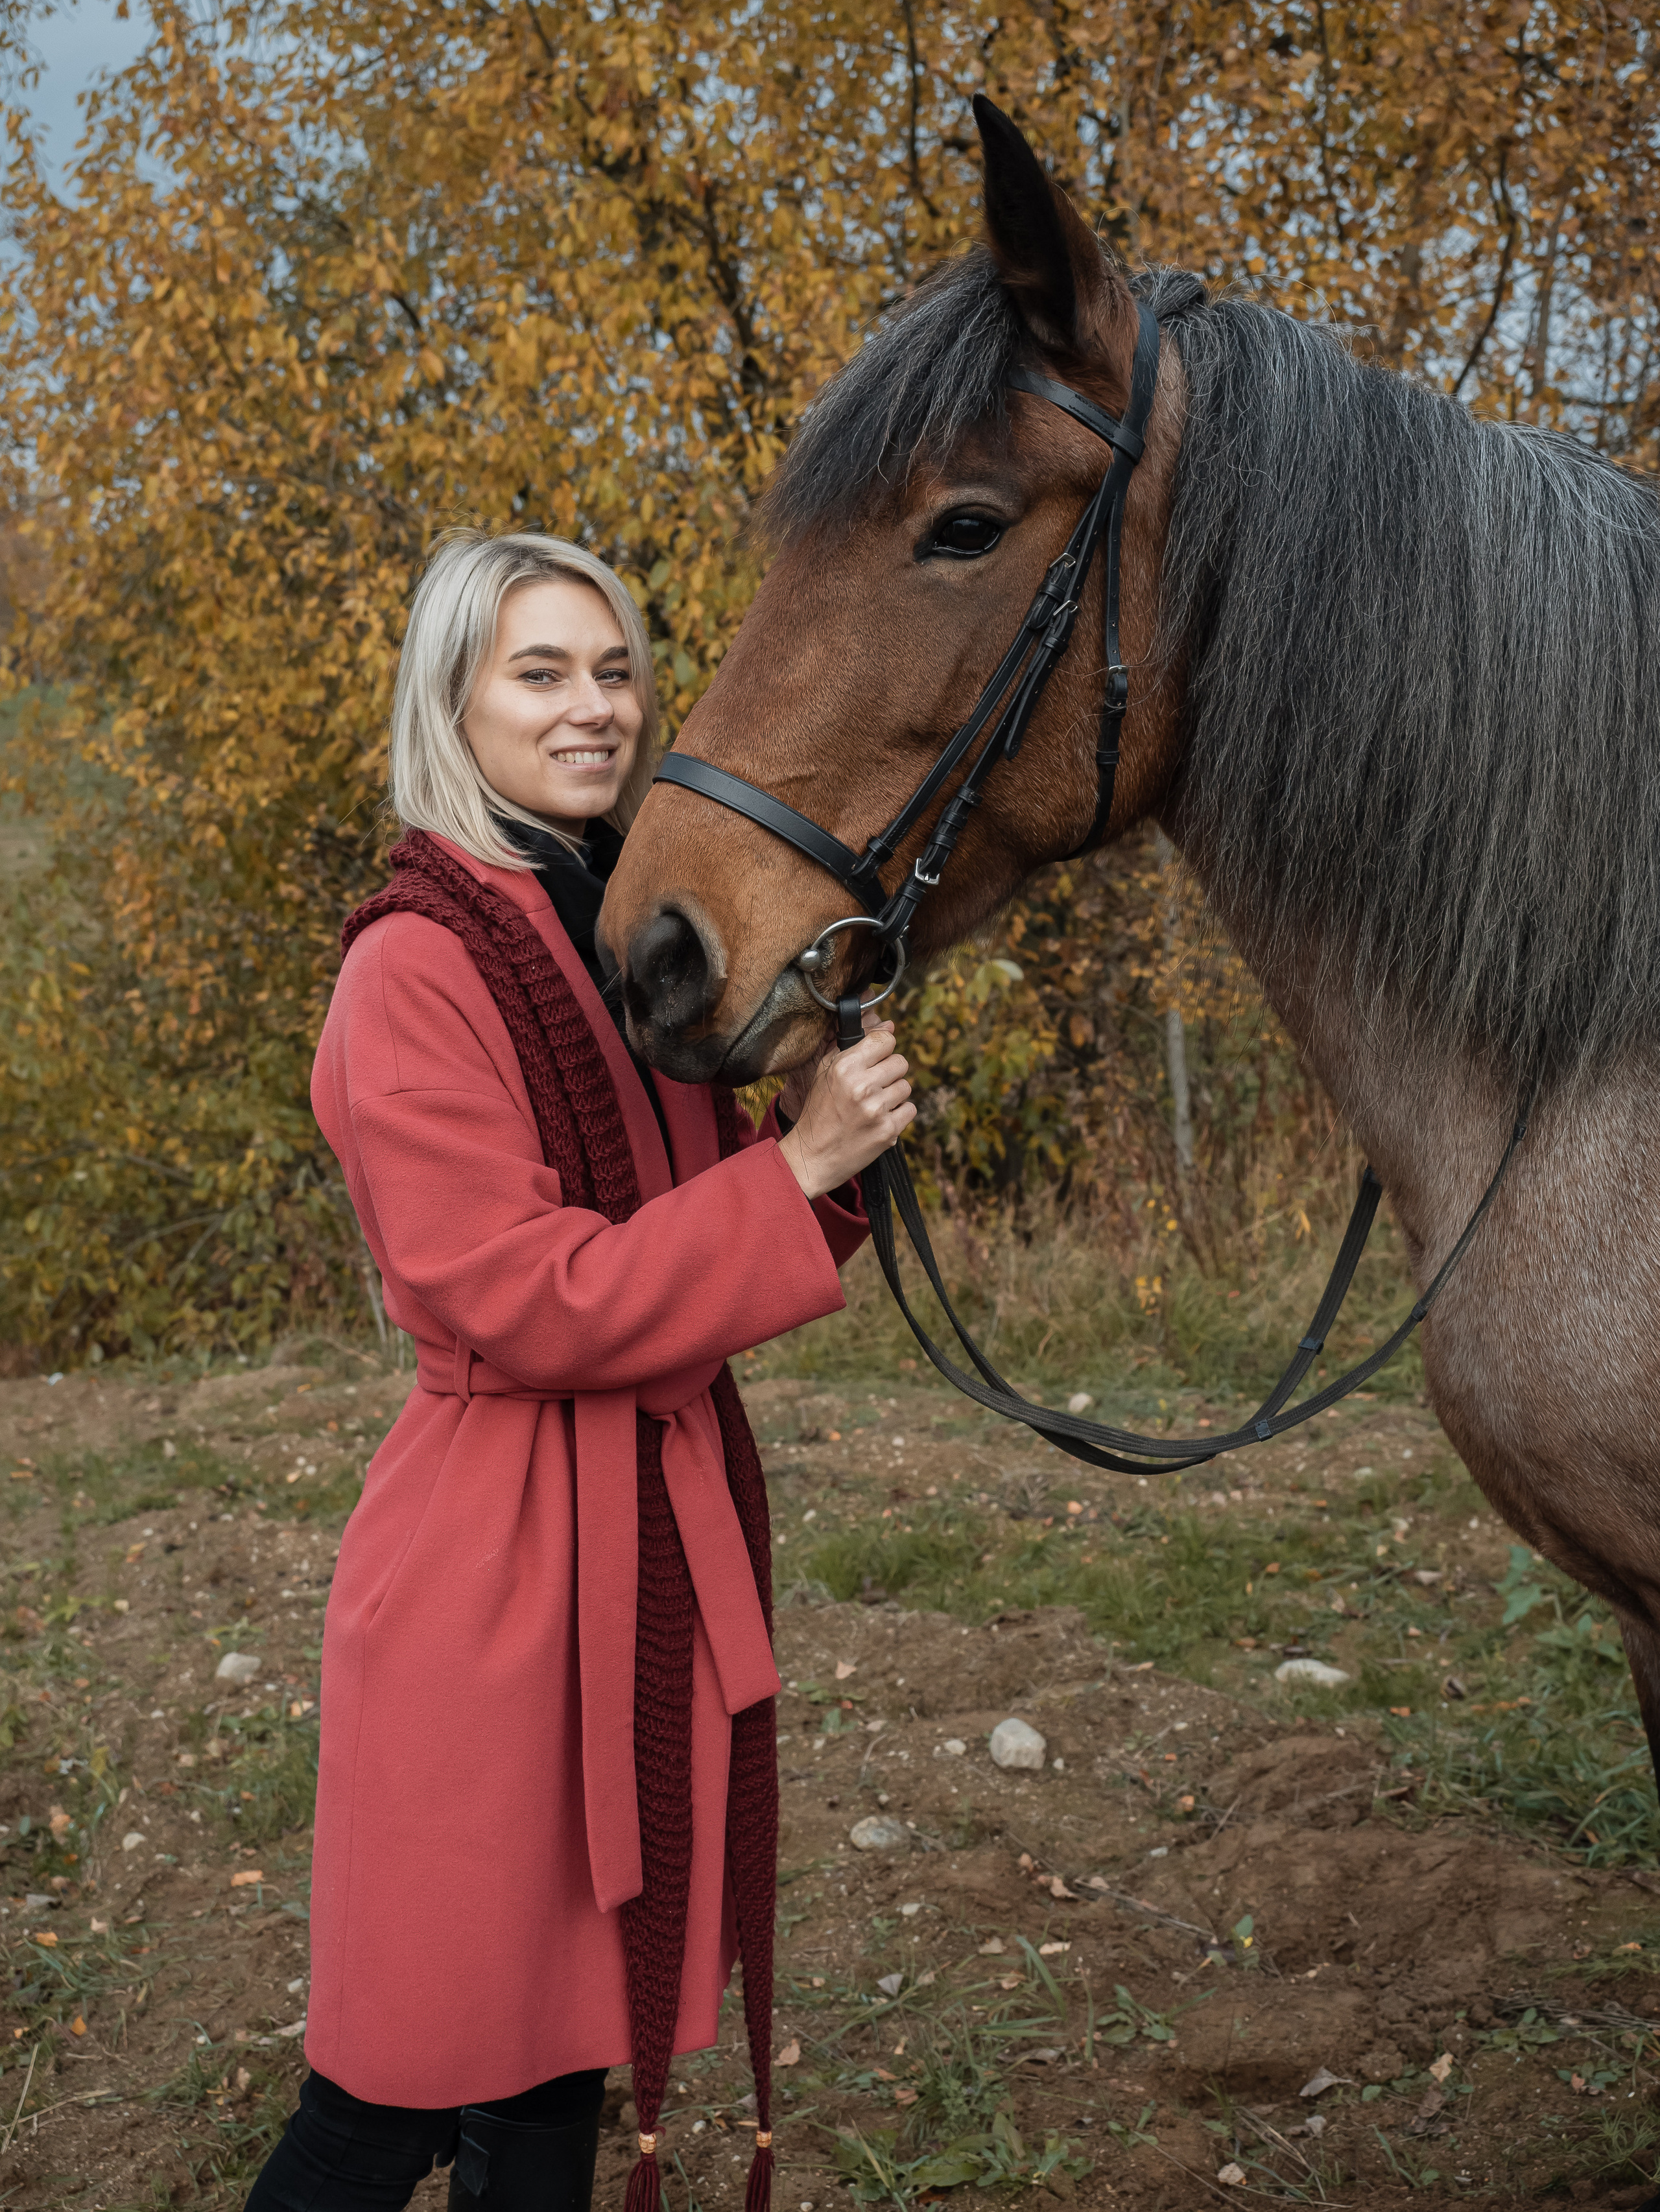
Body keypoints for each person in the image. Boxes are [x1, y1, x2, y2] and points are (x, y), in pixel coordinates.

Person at [244, 529, 914, 2212]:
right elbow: (525, 1297)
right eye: (541, 671)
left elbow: (691, 1233)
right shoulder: (412, 962)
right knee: (391, 2086)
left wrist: (816, 1140)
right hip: (492, 1574)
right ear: (452, 699)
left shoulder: (614, 926)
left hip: (639, 1551)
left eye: (614, 668)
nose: (594, 705)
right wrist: (795, 1179)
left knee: (553, 2060)